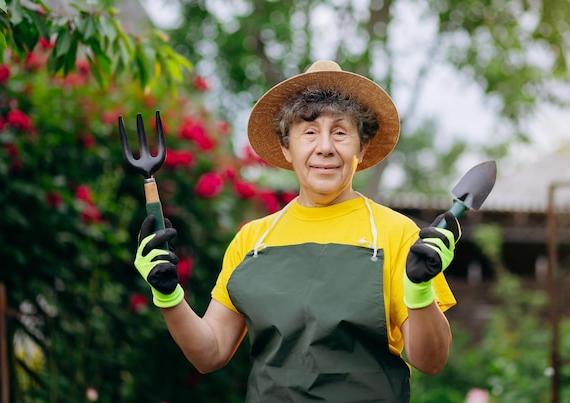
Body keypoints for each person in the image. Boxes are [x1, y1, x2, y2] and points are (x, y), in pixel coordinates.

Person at [133, 60, 461, 402]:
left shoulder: (396, 234)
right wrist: (169, 296)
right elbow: (209, 353)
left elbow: (430, 361)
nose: (324, 147)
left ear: (361, 148)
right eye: (309, 131)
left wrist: (420, 291)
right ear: (286, 148)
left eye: (340, 132)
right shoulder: (253, 240)